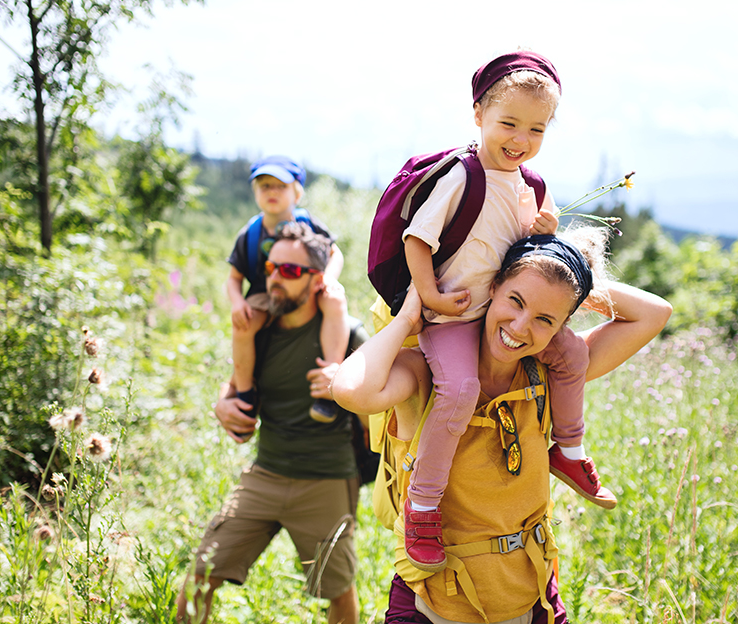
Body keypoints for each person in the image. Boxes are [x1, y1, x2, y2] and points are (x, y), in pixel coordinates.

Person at [333, 230, 672, 624]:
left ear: (561, 326)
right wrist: (410, 316)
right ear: (491, 287)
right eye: (516, 300)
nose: (521, 327)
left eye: (545, 319)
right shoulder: (426, 372)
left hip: (531, 598)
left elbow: (655, 313)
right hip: (434, 603)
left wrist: (567, 272)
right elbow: (351, 390)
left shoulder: (551, 374)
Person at [397, 50, 613, 573]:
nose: (521, 139)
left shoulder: (529, 186)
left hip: (500, 310)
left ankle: (569, 447)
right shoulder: (461, 176)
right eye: (509, 123)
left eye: (536, 130)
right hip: (453, 315)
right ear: (478, 115)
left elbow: (528, 255)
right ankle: (423, 505)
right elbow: (417, 239)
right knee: (460, 390)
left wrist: (543, 230)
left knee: (570, 357)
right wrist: (428, 297)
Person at [179, 223, 367, 624]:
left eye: (291, 271)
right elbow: (234, 388)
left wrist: (347, 389)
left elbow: (380, 410)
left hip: (327, 479)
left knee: (337, 589)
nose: (275, 278)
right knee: (201, 573)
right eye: (271, 267)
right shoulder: (259, 330)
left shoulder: (348, 335)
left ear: (318, 280)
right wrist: (221, 406)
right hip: (265, 473)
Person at [226, 155, 349, 425]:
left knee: (335, 301)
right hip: (264, 293)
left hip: (306, 287)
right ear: (255, 192)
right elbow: (234, 278)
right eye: (264, 186)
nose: (272, 192)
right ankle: (245, 393)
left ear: (297, 192)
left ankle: (329, 380)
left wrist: (328, 278)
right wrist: (237, 302)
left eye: (280, 186)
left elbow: (334, 253)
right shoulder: (249, 233)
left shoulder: (310, 224)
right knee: (243, 326)